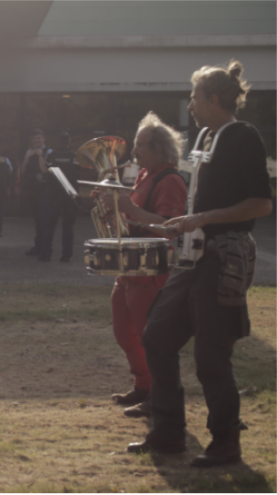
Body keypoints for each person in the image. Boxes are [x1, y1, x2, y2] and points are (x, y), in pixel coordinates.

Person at [127, 60, 272, 467]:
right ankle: (169, 432)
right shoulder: (206, 134)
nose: (189, 104)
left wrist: (201, 219)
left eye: (193, 97)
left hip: (223, 254)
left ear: (213, 98)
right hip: (193, 255)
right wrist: (184, 224)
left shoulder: (242, 136)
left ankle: (226, 441)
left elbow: (261, 203)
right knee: (156, 336)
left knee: (211, 353)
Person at [97, 113, 187, 418]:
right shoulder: (144, 175)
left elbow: (171, 226)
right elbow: (134, 219)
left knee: (149, 336)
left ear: (160, 148)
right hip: (131, 266)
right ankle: (144, 386)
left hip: (151, 271)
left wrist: (129, 207)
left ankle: (157, 396)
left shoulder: (170, 179)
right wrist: (113, 209)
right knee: (124, 332)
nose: (134, 152)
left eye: (140, 146)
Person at [21, 129, 55, 261]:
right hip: (33, 190)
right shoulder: (29, 152)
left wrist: (40, 155)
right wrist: (28, 157)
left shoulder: (49, 152)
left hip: (44, 191)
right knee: (37, 221)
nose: (37, 140)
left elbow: (45, 171)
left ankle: (45, 250)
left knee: (44, 221)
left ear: (44, 139)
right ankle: (38, 246)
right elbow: (23, 171)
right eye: (34, 138)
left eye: (39, 138)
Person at [49, 131, 80, 262]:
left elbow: (48, 173)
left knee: (50, 225)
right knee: (68, 226)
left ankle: (46, 253)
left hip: (55, 194)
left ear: (58, 142)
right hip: (70, 193)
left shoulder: (52, 156)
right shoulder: (74, 156)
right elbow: (78, 172)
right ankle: (66, 255)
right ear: (69, 142)